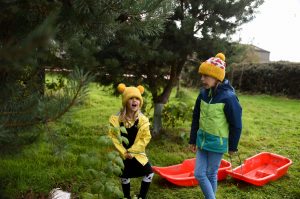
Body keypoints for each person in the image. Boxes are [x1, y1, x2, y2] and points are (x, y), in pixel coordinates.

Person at [189, 53, 242, 199]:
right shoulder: (203, 94)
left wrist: (232, 146)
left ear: (217, 77)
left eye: (206, 75)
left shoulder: (229, 98)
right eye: (202, 75)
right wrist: (193, 139)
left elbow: (236, 124)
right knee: (199, 174)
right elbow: (195, 117)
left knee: (211, 174)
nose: (202, 79)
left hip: (217, 143)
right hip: (202, 140)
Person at [108, 83, 153, 199]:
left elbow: (145, 138)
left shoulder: (142, 120)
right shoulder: (117, 120)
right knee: (124, 175)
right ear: (125, 102)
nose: (135, 101)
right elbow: (113, 138)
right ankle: (126, 196)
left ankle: (142, 196)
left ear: (140, 102)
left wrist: (133, 152)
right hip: (123, 154)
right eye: (131, 98)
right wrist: (124, 152)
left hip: (137, 153)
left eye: (137, 99)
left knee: (149, 172)